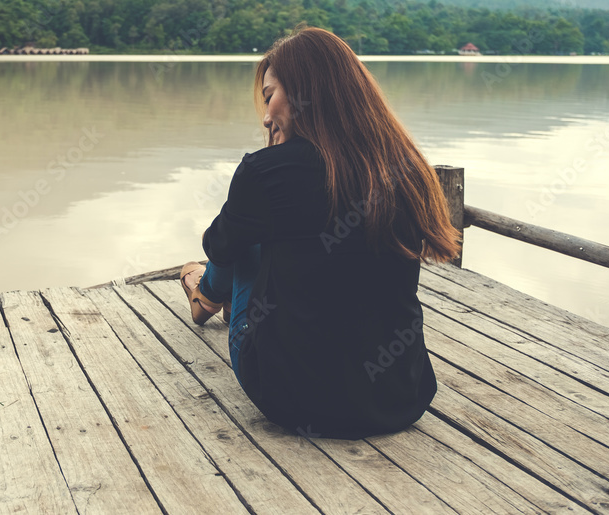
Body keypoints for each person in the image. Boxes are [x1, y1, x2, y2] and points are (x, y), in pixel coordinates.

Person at [181, 25, 461, 440]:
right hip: (400, 396)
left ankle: (202, 295)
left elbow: (218, 244)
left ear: (301, 94)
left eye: (269, 96)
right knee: (266, 228)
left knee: (244, 238)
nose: (264, 115)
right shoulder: (406, 168)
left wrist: (265, 174)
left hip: (291, 398)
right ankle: (205, 292)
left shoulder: (266, 171)